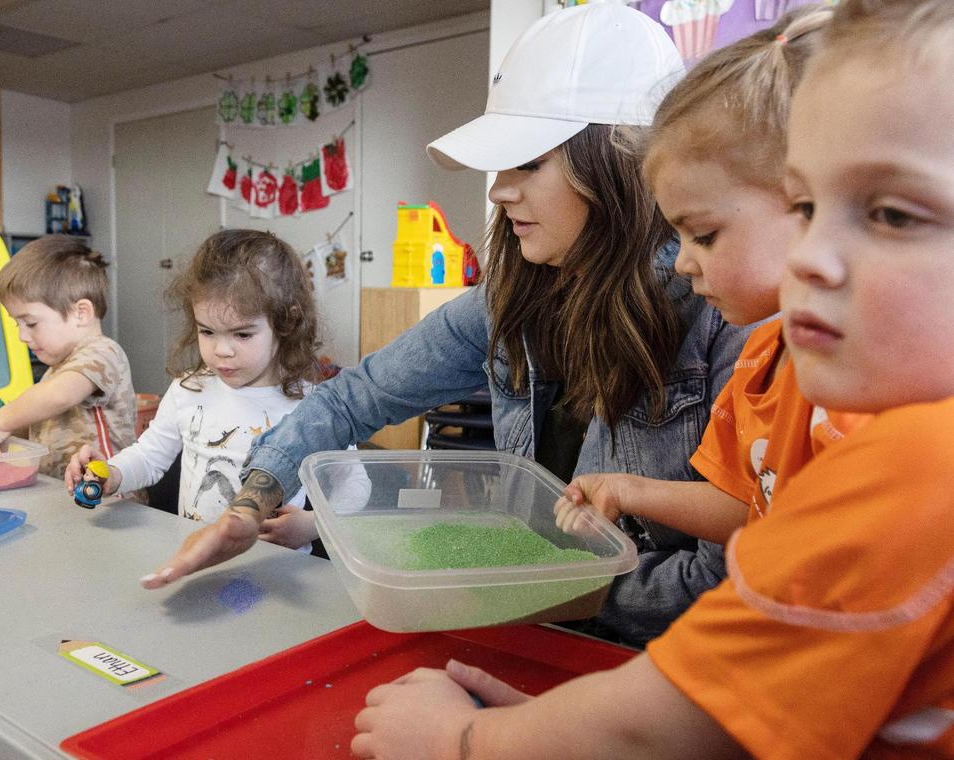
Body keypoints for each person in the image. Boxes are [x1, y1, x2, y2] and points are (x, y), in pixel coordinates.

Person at [350, 1, 954, 756]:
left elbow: (676, 720)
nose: (809, 258)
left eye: (894, 214)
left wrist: (468, 739)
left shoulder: (917, 463)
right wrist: (548, 725)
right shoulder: (849, 419)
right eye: (805, 206)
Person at [141, 4, 756, 648]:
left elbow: (728, 575)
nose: (498, 192)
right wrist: (251, 505)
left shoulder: (724, 317)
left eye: (529, 164)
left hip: (652, 662)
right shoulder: (508, 302)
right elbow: (356, 395)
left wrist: (523, 581)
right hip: (527, 623)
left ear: (617, 162)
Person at [558, 6, 869, 548]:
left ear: (807, 202)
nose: (681, 263)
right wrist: (626, 488)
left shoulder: (875, 389)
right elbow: (746, 507)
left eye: (703, 236)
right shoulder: (759, 362)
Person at [64, 229, 364, 553]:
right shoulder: (188, 389)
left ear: (285, 323)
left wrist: (310, 525)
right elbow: (149, 455)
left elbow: (353, 484)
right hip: (196, 562)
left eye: (242, 335)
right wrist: (113, 472)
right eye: (206, 331)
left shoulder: (314, 405)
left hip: (274, 571)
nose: (221, 350)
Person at [0, 235, 137, 481]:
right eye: (17, 324)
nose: (22, 335)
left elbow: (60, 395)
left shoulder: (102, 352)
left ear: (80, 313)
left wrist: (2, 421)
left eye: (30, 323)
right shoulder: (56, 370)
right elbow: (42, 430)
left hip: (108, 502)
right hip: (65, 499)